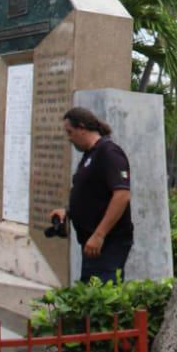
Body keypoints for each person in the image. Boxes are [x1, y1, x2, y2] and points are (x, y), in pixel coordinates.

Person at [52, 107, 133, 282]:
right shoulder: (91, 154)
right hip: (91, 243)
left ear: (82, 128)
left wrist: (99, 235)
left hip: (108, 242)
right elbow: (91, 195)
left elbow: (122, 195)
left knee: (103, 293)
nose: (68, 138)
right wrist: (68, 211)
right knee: (89, 292)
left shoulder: (109, 152)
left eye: (70, 132)